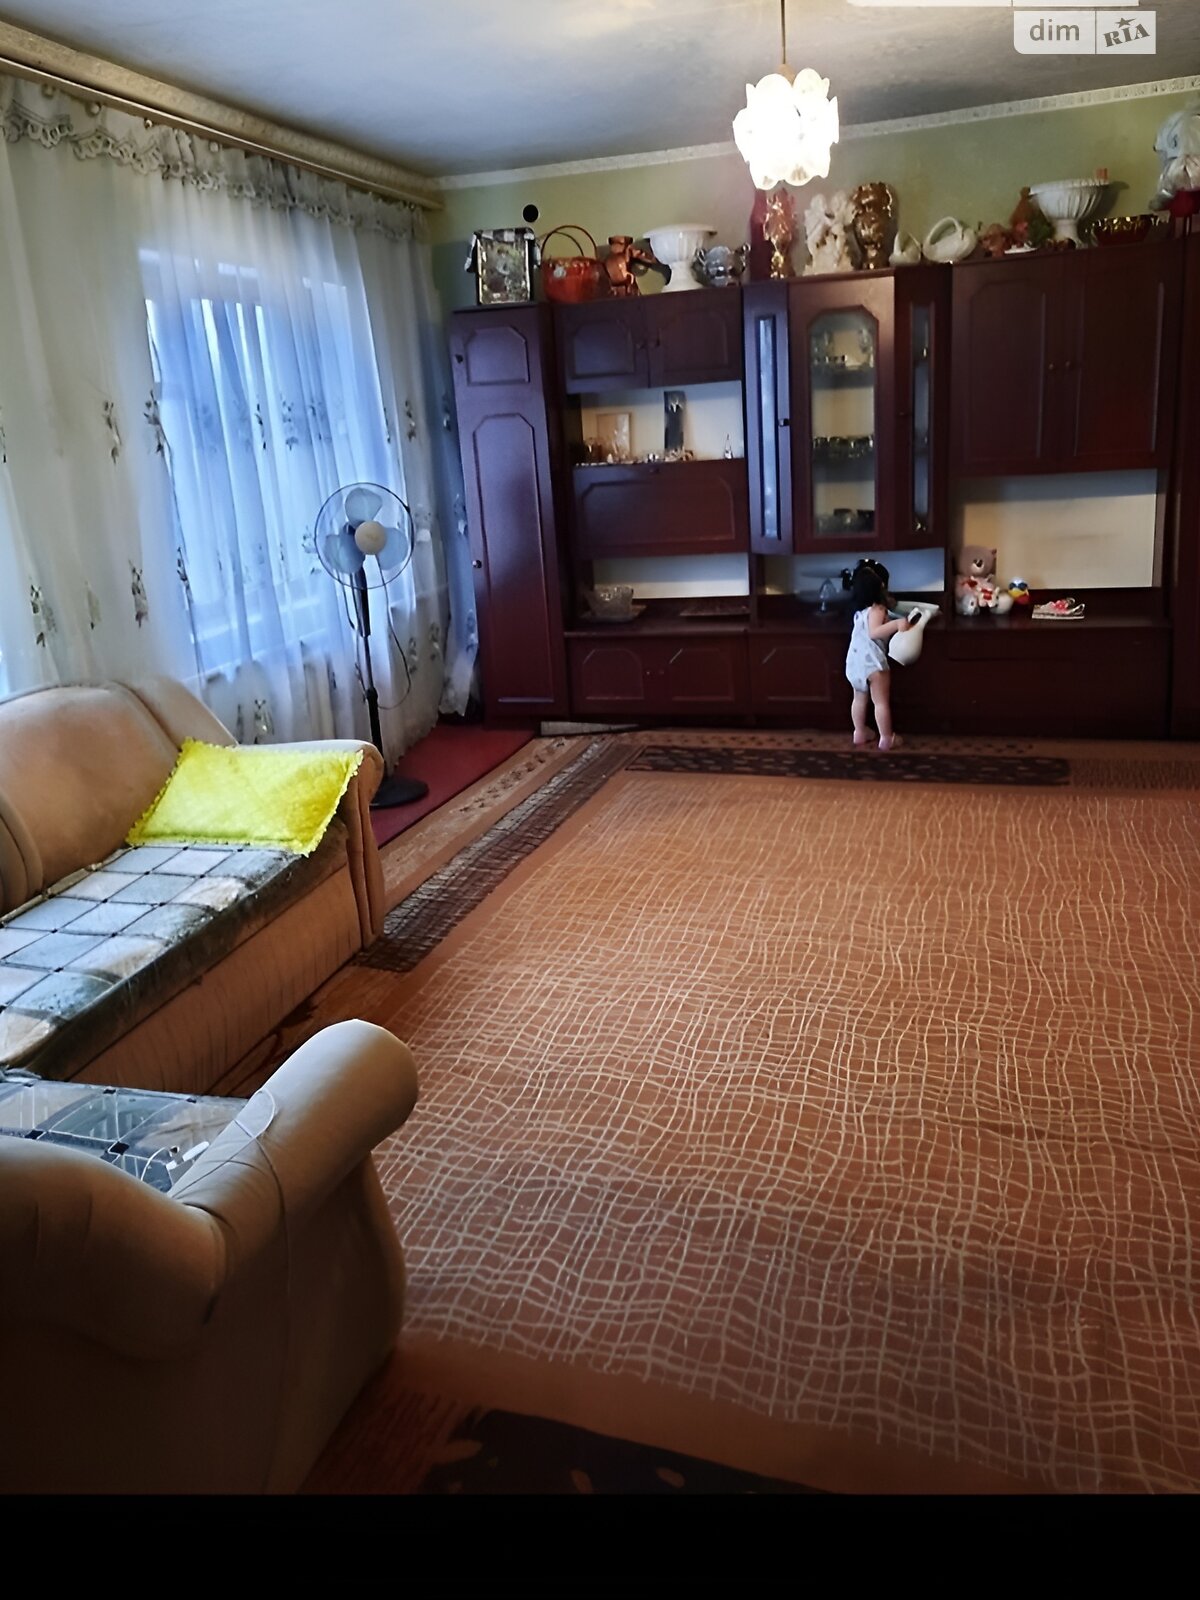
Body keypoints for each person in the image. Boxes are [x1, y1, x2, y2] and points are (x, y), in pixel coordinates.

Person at [844, 558, 910, 751]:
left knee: (859, 699)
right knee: (880, 702)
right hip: (872, 663)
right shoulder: (878, 609)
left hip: (855, 663)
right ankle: (887, 738)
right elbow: (875, 632)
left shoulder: (858, 613)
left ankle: (859, 732)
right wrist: (897, 624)